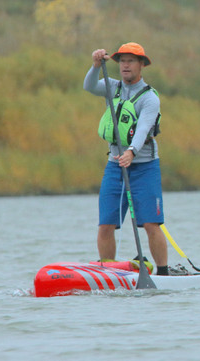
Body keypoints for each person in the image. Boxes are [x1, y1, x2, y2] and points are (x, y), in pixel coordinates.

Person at [83, 42, 170, 275]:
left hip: (145, 167)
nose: (125, 65)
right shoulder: (113, 87)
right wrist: (94, 66)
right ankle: (109, 273)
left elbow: (142, 129)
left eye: (131, 61)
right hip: (115, 165)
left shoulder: (150, 98)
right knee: (105, 224)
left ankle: (163, 273)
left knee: (151, 224)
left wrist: (131, 151)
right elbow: (89, 86)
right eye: (121, 61)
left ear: (142, 65)